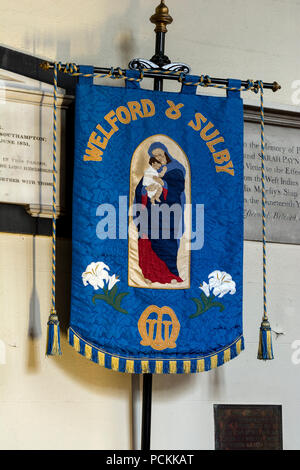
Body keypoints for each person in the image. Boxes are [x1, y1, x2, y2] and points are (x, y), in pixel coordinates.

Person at [133, 141, 186, 285]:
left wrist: (163, 184)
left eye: (160, 154)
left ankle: (171, 274)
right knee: (149, 242)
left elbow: (177, 188)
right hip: (150, 216)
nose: (158, 158)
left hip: (169, 215)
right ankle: (150, 274)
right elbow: (140, 191)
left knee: (168, 244)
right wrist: (144, 191)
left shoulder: (175, 169)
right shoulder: (151, 171)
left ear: (166, 154)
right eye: (155, 156)